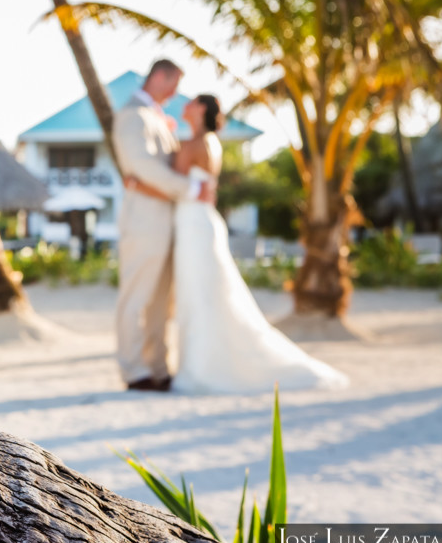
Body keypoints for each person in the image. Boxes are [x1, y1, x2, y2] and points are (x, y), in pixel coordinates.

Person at [125, 94, 349, 394]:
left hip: (192, 226)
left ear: (201, 109)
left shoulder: (193, 144)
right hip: (203, 222)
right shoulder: (211, 142)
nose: (185, 105)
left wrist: (138, 185)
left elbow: (173, 187)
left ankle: (201, 370)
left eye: (191, 102)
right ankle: (199, 365)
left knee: (199, 298)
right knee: (207, 296)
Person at [112, 59, 210, 392]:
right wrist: (190, 189)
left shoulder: (155, 117)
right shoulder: (131, 116)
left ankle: (156, 366)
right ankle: (134, 369)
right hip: (144, 221)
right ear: (157, 76)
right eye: (173, 83)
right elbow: (141, 166)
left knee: (161, 301)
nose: (176, 93)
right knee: (136, 295)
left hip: (170, 221)